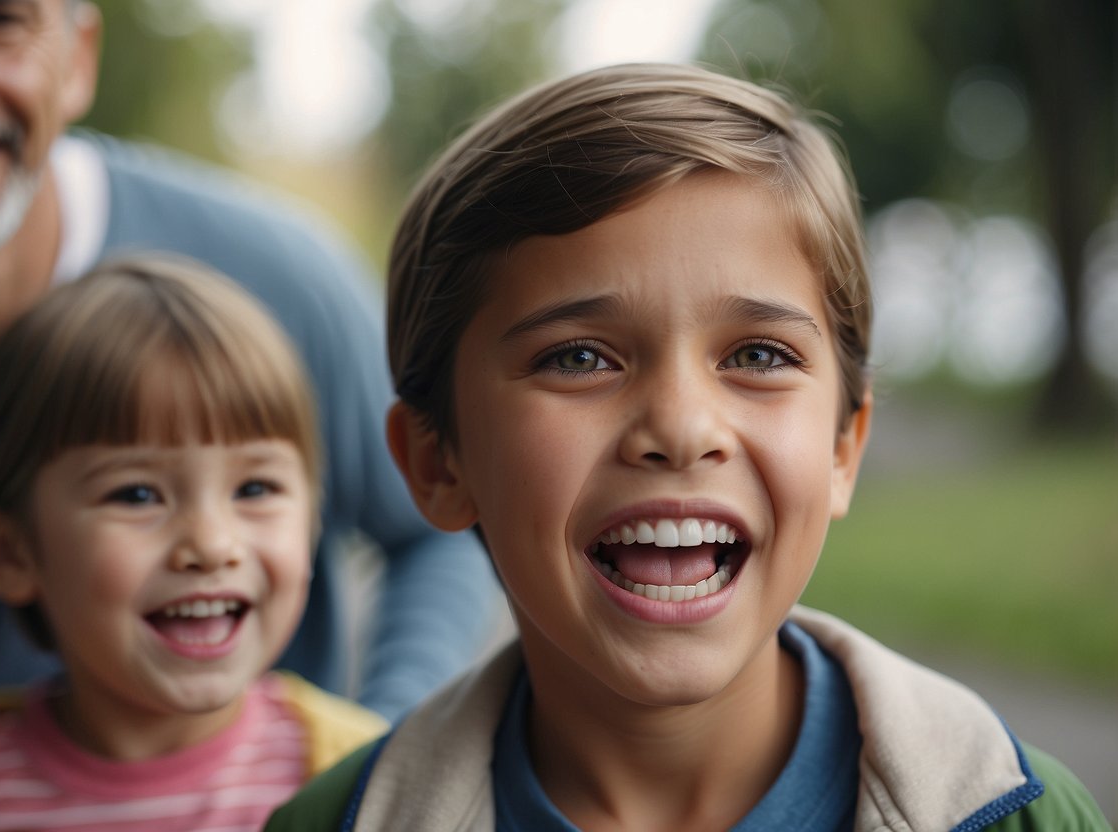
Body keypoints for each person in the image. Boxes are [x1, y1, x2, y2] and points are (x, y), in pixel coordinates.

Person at [264, 63, 1108, 831]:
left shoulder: (1023, 817)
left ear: (844, 446)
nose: (679, 428)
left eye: (756, 356)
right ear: (436, 462)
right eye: (578, 358)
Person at [0, 0, 495, 730]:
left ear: (78, 58)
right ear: (1, 547)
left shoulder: (270, 279)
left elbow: (439, 523)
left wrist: (380, 761)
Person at [0, 256, 389, 831]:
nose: (211, 545)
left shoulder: (373, 783)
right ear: (10, 551)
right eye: (137, 495)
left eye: (255, 488)